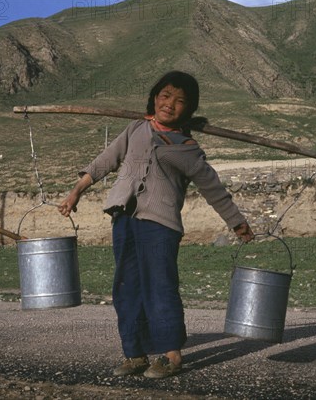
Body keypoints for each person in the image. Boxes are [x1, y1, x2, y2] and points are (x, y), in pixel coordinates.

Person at [59, 71, 254, 379]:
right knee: (126, 287)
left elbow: (213, 188)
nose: (170, 104)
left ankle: (171, 355)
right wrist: (75, 192)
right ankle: (134, 353)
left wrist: (237, 223)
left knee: (160, 287)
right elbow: (104, 161)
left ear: (188, 110)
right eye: (165, 96)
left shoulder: (188, 148)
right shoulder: (136, 128)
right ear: (154, 99)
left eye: (179, 101)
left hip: (160, 226)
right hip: (124, 219)